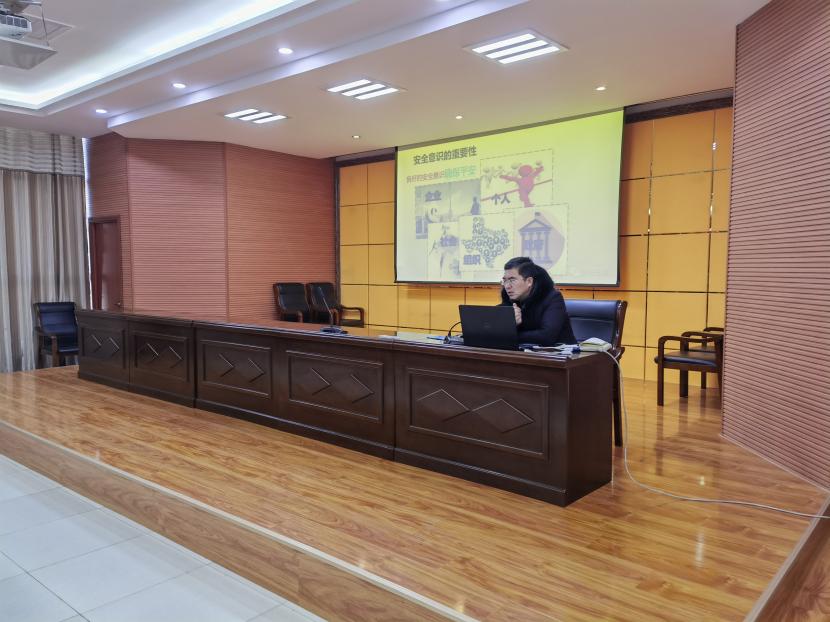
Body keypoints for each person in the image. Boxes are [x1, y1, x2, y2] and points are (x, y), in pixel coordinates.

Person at [499, 256, 575, 346]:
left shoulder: (552, 297)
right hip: (522, 352)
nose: (507, 286)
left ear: (529, 281)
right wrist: (510, 324)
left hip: (561, 352)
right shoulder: (509, 298)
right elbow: (492, 330)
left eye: (512, 280)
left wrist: (509, 335)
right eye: (505, 281)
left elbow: (547, 336)